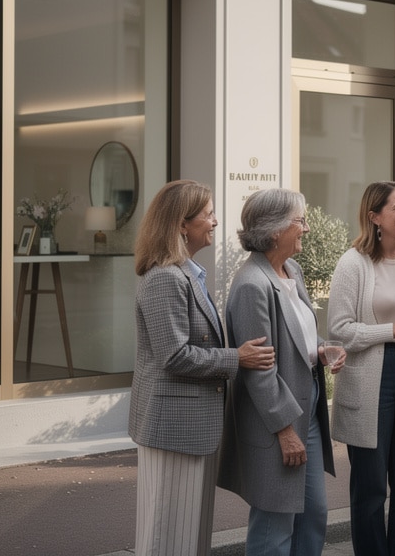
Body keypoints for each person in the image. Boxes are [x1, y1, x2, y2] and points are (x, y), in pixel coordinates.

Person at [129, 180, 275, 556]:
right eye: (208, 214)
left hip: (192, 428)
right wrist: (237, 358)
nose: (215, 221)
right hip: (173, 429)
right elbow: (174, 356)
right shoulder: (166, 278)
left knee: (189, 536)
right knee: (167, 538)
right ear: (182, 224)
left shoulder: (187, 274)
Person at [220, 188, 345, 556]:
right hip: (277, 421)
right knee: (275, 523)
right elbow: (259, 370)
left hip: (307, 411)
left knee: (313, 513)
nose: (306, 228)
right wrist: (285, 431)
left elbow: (296, 333)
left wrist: (319, 349)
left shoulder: (292, 270)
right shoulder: (252, 285)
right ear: (274, 231)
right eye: (300, 221)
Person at [327, 182, 395, 556]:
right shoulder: (353, 263)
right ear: (374, 217)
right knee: (371, 487)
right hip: (372, 373)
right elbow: (340, 330)